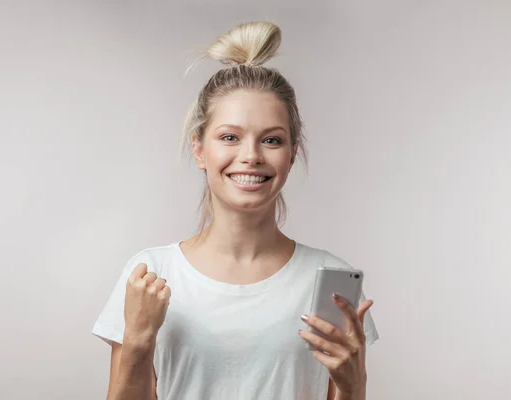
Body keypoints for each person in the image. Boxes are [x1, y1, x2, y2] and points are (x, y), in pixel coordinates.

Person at [92, 21, 379, 400]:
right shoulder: (151, 275)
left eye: (272, 140)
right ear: (199, 150)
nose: (251, 156)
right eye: (230, 137)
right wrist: (139, 341)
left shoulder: (331, 284)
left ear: (292, 155)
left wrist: (353, 383)